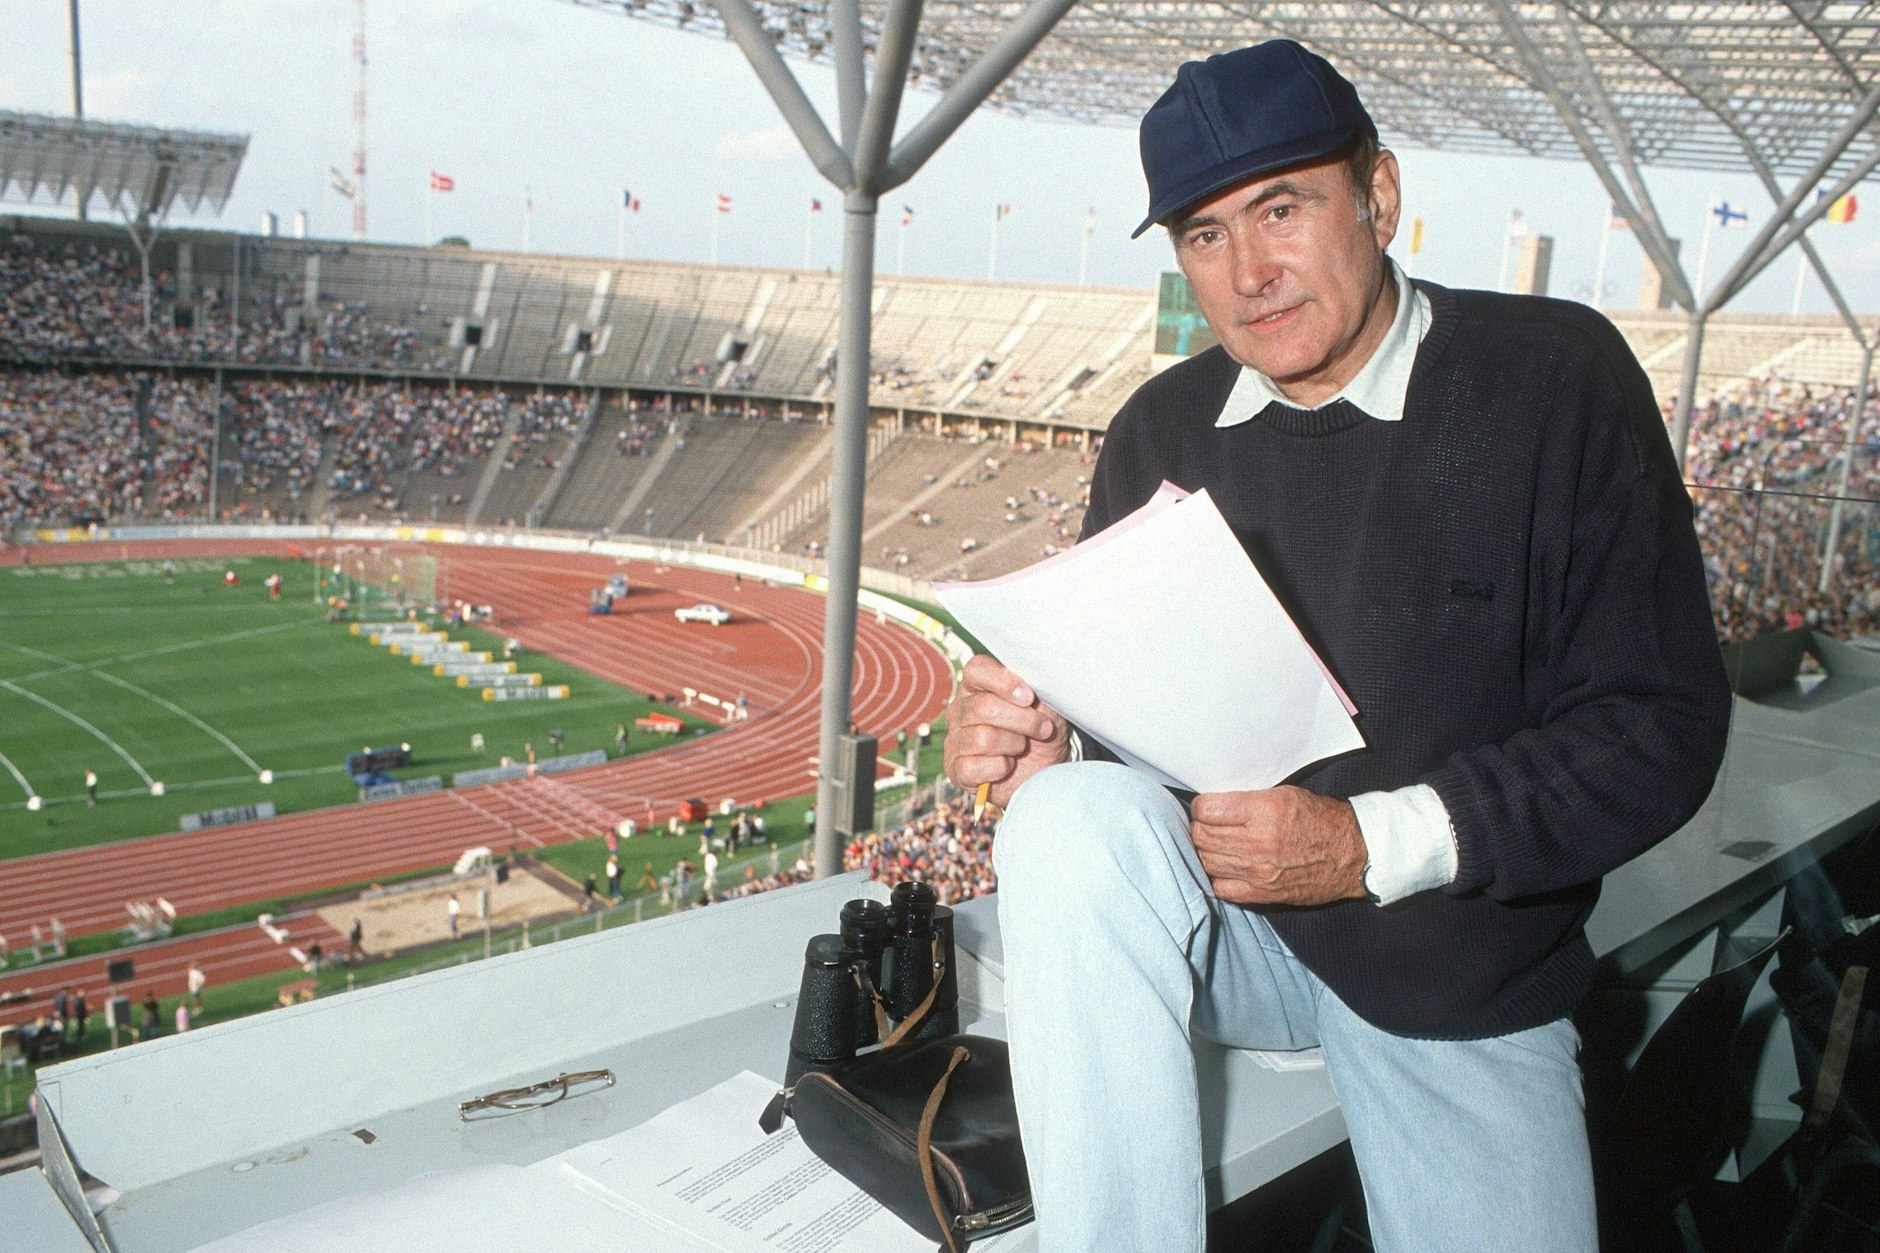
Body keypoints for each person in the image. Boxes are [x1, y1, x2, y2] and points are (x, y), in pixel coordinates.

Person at [942, 40, 1732, 1253]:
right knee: (1060, 824)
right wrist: (1041, 755)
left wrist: (1368, 841)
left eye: (1280, 207)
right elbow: (1135, 776)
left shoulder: (1554, 379)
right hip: (1232, 928)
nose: (1247, 271)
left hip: (1455, 963)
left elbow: (1658, 727)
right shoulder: (1159, 425)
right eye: (1204, 234)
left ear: (1378, 194)